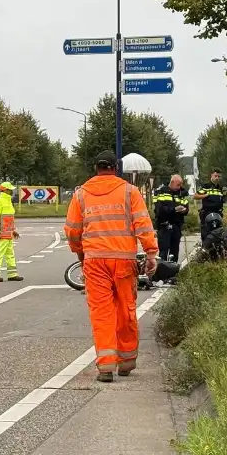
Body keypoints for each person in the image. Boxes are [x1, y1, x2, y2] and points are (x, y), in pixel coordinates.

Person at [64, 151, 159, 382]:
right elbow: (143, 224)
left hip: (95, 261)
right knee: (126, 309)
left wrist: (80, 253)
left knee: (101, 313)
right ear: (116, 168)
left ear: (95, 168)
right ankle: (126, 362)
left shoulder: (81, 195)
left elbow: (73, 230)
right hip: (124, 260)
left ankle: (105, 367)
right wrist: (151, 254)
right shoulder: (129, 192)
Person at [152, 174, 189, 264]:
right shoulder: (161, 192)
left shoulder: (181, 193)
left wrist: (184, 210)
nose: (179, 187)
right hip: (164, 225)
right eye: (178, 185)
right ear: (172, 182)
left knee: (174, 252)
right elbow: (159, 210)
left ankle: (172, 273)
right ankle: (162, 273)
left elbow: (186, 207)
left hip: (176, 226)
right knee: (164, 252)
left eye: (180, 185)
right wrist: (174, 210)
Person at [0, 182, 23, 282]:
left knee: (10, 254)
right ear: (4, 190)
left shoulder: (8, 201)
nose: (11, 191)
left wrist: (13, 231)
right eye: (10, 189)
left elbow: (9, 219)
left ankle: (12, 274)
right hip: (1, 234)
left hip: (8, 234)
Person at [193, 170, 227, 243]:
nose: (217, 178)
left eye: (219, 176)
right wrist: (206, 195)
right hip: (207, 213)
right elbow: (195, 196)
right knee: (206, 234)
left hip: (218, 214)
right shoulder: (205, 186)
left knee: (218, 234)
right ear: (211, 176)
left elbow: (223, 200)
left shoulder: (220, 188)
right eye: (215, 176)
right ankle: (205, 250)